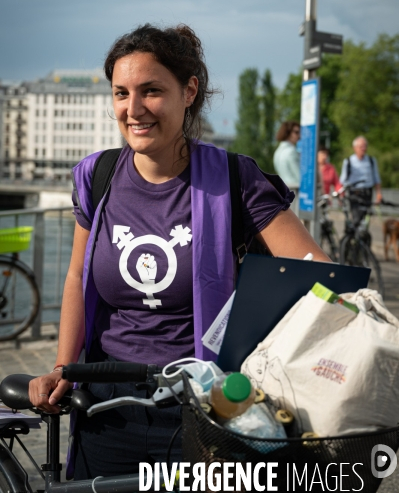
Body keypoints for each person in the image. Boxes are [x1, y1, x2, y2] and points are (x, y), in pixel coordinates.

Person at [28, 24, 329, 479]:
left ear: (188, 92)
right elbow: (77, 278)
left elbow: (319, 274)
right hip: (107, 408)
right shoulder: (97, 176)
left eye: (151, 91)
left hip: (204, 409)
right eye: (121, 93)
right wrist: (62, 366)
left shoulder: (234, 178)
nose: (133, 109)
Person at [340, 136, 382, 225]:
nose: (363, 148)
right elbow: (343, 180)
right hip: (354, 193)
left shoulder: (371, 160)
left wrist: (379, 193)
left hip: (367, 193)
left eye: (365, 146)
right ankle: (355, 236)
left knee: (366, 219)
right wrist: (341, 195)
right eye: (361, 146)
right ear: (354, 148)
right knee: (356, 218)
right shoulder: (348, 161)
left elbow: (376, 178)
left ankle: (363, 237)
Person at [273, 121, 301, 215]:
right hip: (295, 194)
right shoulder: (292, 151)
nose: (299, 135)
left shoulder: (277, 152)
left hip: (283, 193)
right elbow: (299, 176)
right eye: (296, 132)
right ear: (288, 133)